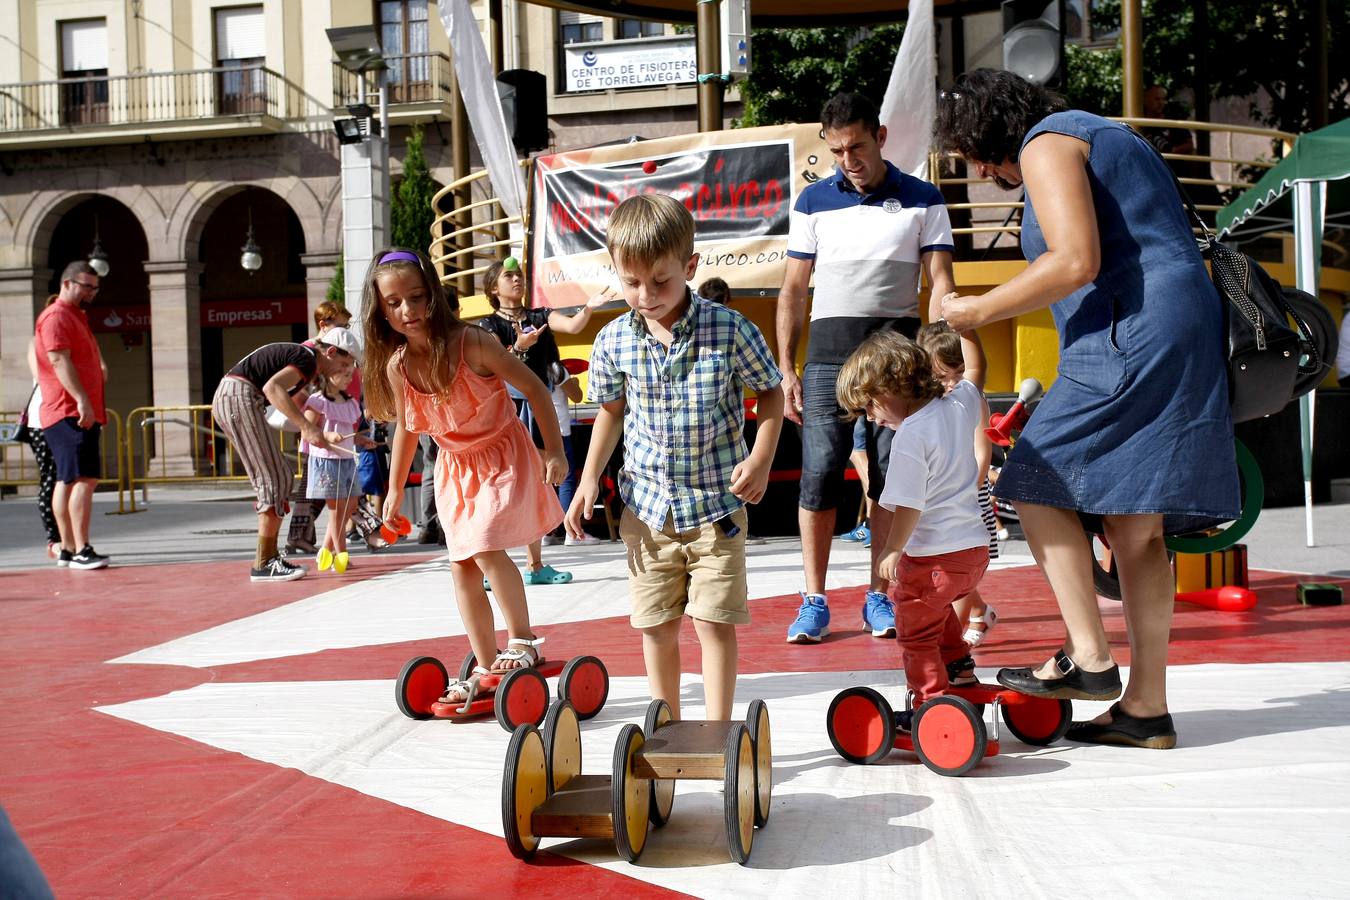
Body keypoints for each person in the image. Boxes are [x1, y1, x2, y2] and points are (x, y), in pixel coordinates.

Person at [936, 68, 1240, 749]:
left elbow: (1075, 261)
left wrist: (976, 309)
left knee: (1033, 479)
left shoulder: (1047, 143)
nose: (979, 171)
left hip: (1130, 333)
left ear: (986, 137)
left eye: (971, 156)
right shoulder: (1106, 132)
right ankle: (1145, 710)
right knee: (1139, 530)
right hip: (1181, 328)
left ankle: (1091, 661)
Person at [564, 194, 785, 722]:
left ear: (689, 267)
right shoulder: (613, 340)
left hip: (716, 509)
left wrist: (760, 459)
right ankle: (666, 727)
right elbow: (611, 412)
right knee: (657, 625)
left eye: (660, 282)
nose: (645, 295)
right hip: (646, 510)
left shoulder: (730, 331)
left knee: (713, 622)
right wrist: (589, 477)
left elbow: (772, 394)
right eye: (630, 281)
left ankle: (717, 729)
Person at [776, 91, 957, 643]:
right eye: (836, 152)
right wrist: (787, 368)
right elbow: (793, 288)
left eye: (856, 146)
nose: (847, 160)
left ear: (880, 136)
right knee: (818, 477)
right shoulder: (812, 202)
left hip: (896, 360)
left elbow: (941, 286)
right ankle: (814, 600)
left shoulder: (925, 199)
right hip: (828, 359)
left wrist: (941, 360)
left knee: (889, 481)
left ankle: (879, 596)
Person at [362, 247, 567, 705]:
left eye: (416, 298)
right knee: (461, 566)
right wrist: (394, 490)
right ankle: (486, 659)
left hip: (501, 454)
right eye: (393, 304)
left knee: (487, 548)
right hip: (455, 469)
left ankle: (523, 640)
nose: (408, 311)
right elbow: (407, 429)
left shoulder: (472, 342)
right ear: (379, 310)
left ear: (432, 294)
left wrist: (554, 451)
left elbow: (534, 388)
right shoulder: (398, 365)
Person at [836, 325, 989, 728]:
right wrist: (968, 327)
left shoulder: (909, 437)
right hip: (973, 555)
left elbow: (908, 505)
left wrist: (891, 550)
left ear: (891, 386)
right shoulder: (957, 407)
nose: (871, 418)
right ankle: (961, 673)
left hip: (932, 558)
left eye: (869, 406)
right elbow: (976, 371)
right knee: (941, 615)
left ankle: (930, 704)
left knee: (916, 632)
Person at [478, 256, 613, 584]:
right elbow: (493, 365)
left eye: (519, 275)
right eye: (509, 276)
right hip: (505, 410)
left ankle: (535, 565)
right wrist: (519, 348)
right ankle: (494, 565)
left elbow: (573, 326)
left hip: (537, 408)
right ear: (494, 288)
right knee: (501, 487)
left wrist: (589, 308)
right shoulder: (488, 326)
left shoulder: (539, 315)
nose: (517, 280)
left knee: (536, 484)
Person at [212, 328, 359, 582]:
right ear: (331, 351)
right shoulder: (309, 358)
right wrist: (307, 426)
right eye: (343, 363)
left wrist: (310, 426)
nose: (344, 370)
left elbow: (279, 395)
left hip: (237, 398)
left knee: (277, 477)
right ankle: (265, 561)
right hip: (239, 397)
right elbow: (273, 388)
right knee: (274, 479)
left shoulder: (306, 360)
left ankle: (267, 558)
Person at [916, 321, 1000, 646]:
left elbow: (982, 452)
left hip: (968, 502)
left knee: (958, 572)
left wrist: (967, 490)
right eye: (940, 376)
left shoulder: (970, 401)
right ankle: (981, 611)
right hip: (940, 502)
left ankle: (956, 643)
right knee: (953, 570)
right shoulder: (931, 407)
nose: (951, 383)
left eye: (958, 373)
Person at [33, 262, 111, 570]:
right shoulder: (57, 316)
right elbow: (58, 360)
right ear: (67, 283)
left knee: (68, 478)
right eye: (86, 286)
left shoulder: (73, 316)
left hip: (68, 409)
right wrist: (82, 400)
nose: (91, 292)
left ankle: (66, 548)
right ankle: (81, 548)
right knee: (84, 478)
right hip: (69, 410)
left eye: (95, 287)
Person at [286, 301, 352, 555]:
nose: (346, 330)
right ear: (324, 325)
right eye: (340, 325)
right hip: (317, 428)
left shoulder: (332, 351)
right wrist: (315, 411)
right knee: (319, 487)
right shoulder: (309, 351)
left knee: (320, 487)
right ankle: (303, 537)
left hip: (329, 428)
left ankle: (304, 537)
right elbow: (296, 392)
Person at [303, 367, 369, 574]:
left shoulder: (349, 402)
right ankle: (341, 557)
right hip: (327, 461)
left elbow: (350, 433)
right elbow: (307, 430)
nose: (350, 379)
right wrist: (327, 435)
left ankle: (325, 549)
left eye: (351, 375)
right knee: (337, 511)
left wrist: (362, 440)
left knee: (350, 505)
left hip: (347, 459)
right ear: (330, 374)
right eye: (346, 374)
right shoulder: (317, 400)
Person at [24, 327, 61, 560]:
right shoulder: (37, 341)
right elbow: (42, 375)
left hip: (63, 416)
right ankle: (53, 539)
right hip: (42, 419)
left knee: (65, 478)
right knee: (50, 477)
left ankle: (67, 538)